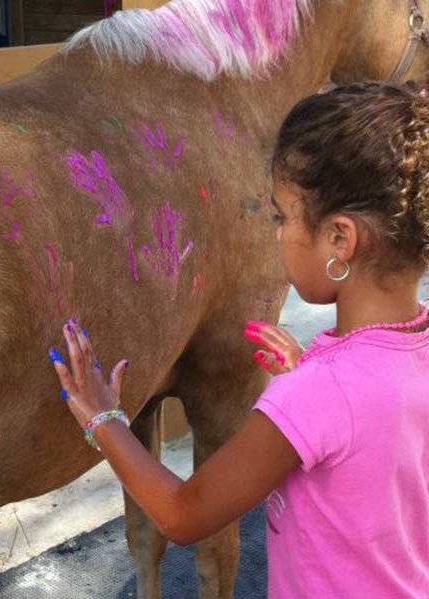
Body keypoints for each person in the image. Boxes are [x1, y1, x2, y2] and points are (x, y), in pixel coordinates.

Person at [49, 81, 429, 597]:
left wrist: (103, 418)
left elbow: (182, 516)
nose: (274, 233)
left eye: (281, 216)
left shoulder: (317, 394)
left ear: (339, 239)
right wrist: (311, 381)